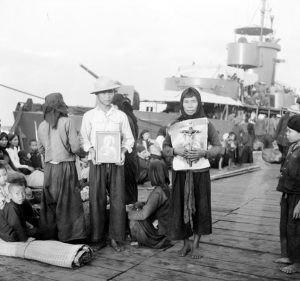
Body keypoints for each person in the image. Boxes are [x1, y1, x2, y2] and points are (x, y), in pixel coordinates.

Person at [163, 87, 222, 259]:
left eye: (193, 101)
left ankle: (196, 243)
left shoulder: (206, 124)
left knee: (200, 208)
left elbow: (219, 147)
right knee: (180, 206)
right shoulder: (174, 125)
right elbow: (165, 147)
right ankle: (186, 242)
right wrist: (175, 150)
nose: (190, 105)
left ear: (199, 103)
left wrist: (204, 153)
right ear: (181, 103)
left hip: (200, 172)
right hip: (181, 172)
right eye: (186, 101)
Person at [80, 77, 134, 251]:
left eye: (110, 91)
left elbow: (129, 139)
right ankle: (98, 237)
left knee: (118, 199)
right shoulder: (89, 116)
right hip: (97, 163)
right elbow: (83, 138)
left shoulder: (121, 116)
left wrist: (123, 151)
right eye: (104, 92)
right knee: (97, 198)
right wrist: (92, 150)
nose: (108, 95)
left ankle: (115, 237)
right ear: (97, 94)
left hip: (117, 164)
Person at [38, 92, 87, 243]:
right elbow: (75, 147)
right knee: (68, 202)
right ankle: (70, 236)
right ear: (61, 104)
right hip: (65, 168)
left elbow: (41, 149)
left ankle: (50, 235)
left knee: (50, 202)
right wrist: (83, 154)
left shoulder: (42, 125)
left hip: (49, 169)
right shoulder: (67, 122)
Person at [275, 115, 300, 274]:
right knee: (284, 226)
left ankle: (298, 262)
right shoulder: (292, 147)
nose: (287, 134)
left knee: (295, 229)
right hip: (287, 193)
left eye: (290, 131)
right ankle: (288, 255)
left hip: (297, 196)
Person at [127, 159, 171, 249]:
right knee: (137, 208)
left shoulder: (158, 192)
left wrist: (129, 212)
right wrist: (142, 204)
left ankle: (148, 241)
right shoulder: (167, 188)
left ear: (153, 174)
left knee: (134, 220)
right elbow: (157, 207)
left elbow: (143, 215)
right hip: (167, 230)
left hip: (160, 235)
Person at [112, 94, 139, 204]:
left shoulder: (123, 118)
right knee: (130, 189)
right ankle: (132, 216)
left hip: (126, 158)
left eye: (112, 106)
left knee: (125, 190)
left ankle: (127, 217)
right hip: (131, 158)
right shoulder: (129, 116)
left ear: (116, 106)